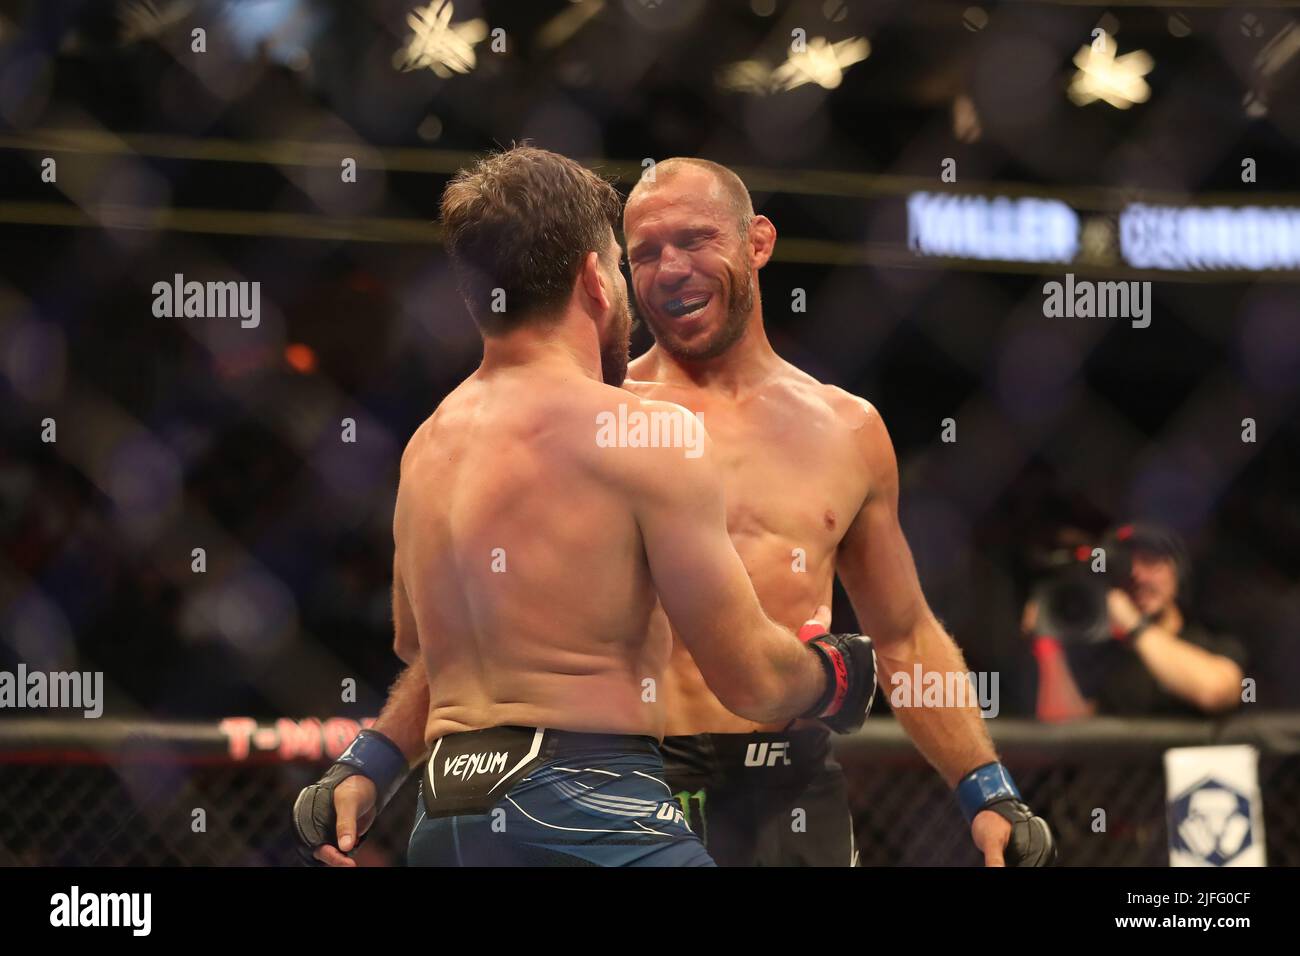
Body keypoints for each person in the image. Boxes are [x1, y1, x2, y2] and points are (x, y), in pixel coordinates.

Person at [297, 155, 1053, 868]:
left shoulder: (847, 428)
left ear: (758, 242)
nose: (672, 270)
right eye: (646, 252)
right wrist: (376, 756)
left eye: (695, 240)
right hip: (629, 772)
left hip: (783, 786)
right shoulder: (585, 418)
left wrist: (986, 790)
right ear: (607, 274)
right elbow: (484, 632)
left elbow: (904, 633)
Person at [1029, 522, 1247, 719]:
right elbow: (1064, 734)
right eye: (1124, 565)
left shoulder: (1214, 639)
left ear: (1177, 572)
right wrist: (1049, 642)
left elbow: (1215, 692)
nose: (1137, 576)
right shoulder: (1102, 654)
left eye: (1150, 561)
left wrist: (1133, 624)